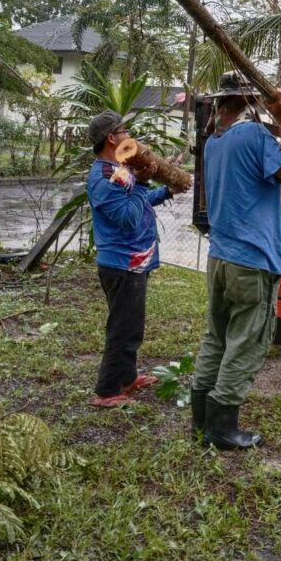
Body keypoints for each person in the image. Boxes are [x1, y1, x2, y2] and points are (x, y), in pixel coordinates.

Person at [191, 73, 281, 450]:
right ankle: (222, 427)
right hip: (252, 261)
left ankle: (201, 418)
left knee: (217, 337)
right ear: (251, 102)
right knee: (246, 340)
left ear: (220, 104)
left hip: (221, 258)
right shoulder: (255, 135)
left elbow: (268, 179)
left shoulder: (214, 143)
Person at [86, 109, 177, 408]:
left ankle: (127, 378)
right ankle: (107, 392)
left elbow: (137, 202)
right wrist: (141, 183)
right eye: (124, 130)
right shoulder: (103, 178)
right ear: (112, 138)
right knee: (122, 329)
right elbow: (127, 217)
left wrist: (164, 192)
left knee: (131, 327)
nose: (129, 135)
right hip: (121, 264)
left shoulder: (118, 169)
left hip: (134, 263)